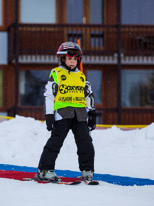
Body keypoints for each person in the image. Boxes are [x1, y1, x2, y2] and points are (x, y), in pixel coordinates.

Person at [36, 41, 96, 182]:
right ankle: (45, 170)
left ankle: (87, 170)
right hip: (62, 114)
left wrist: (92, 113)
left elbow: (89, 95)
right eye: (69, 58)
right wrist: (49, 115)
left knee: (85, 142)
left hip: (80, 115)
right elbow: (49, 95)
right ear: (63, 59)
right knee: (55, 142)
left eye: (75, 59)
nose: (72, 61)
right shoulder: (56, 73)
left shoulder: (81, 76)